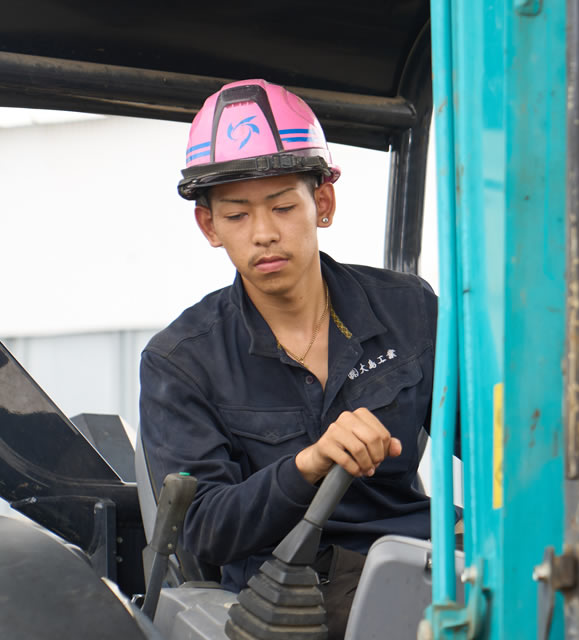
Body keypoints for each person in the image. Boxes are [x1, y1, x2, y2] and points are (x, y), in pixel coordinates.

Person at [139, 79, 437, 638]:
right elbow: (201, 531)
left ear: (321, 203)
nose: (265, 234)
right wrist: (309, 465)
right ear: (208, 226)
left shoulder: (410, 310)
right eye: (237, 216)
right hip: (287, 597)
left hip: (414, 563)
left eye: (282, 206)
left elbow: (501, 444)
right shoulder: (179, 362)